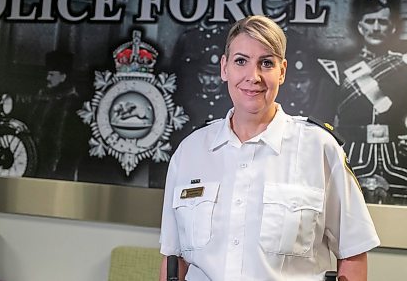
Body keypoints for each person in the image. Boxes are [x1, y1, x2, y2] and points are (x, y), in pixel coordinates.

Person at [159, 15, 380, 281]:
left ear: (282, 71)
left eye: (266, 63)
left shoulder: (320, 148)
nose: (253, 77)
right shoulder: (190, 152)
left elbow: (353, 253)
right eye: (241, 61)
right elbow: (175, 260)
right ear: (224, 68)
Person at [318, 0, 407, 207]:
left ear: (392, 28)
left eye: (382, 22)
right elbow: (322, 124)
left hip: (398, 159)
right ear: (361, 27)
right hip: (350, 158)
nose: (376, 27)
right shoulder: (336, 71)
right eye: (370, 21)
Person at [28, 50, 82, 180]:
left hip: (59, 167)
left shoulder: (73, 103)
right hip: (36, 160)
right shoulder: (42, 96)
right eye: (48, 74)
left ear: (63, 77)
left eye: (52, 75)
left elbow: (71, 143)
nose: (47, 78)